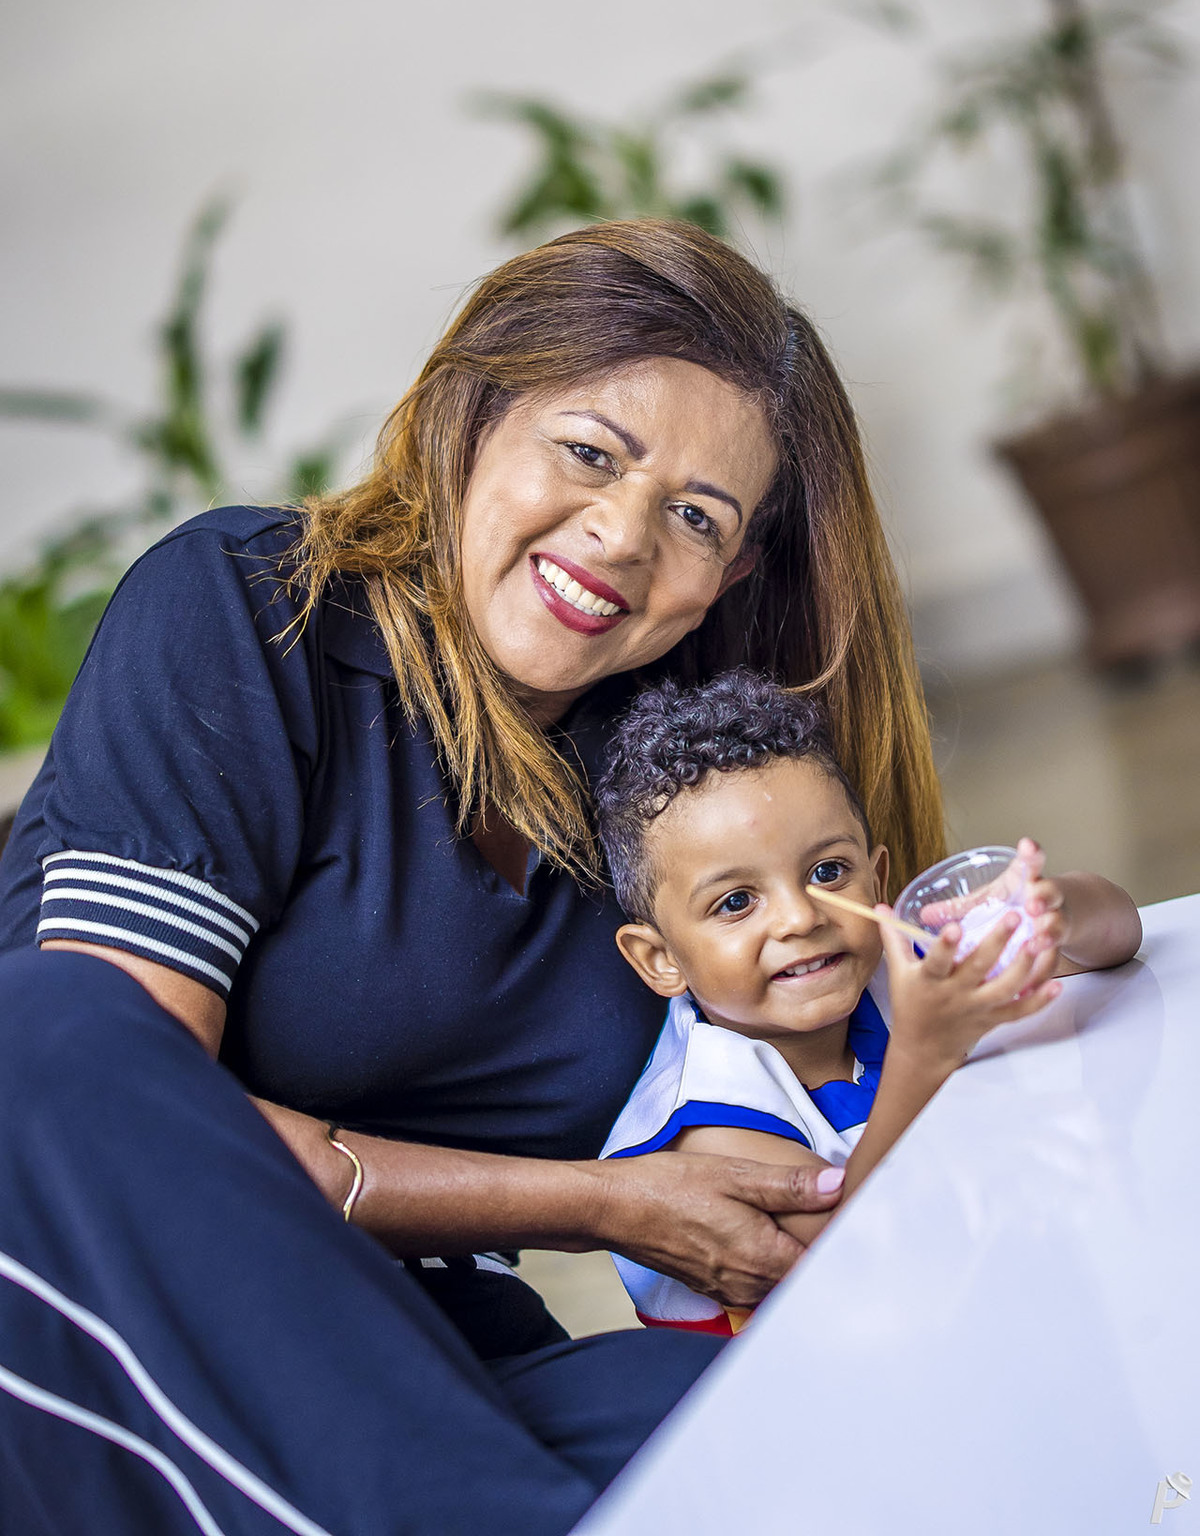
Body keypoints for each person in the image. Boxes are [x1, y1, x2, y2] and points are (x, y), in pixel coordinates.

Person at [0, 219, 945, 1535]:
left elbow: (851, 1064)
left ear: (731, 573)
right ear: (471, 413)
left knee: (763, 1423)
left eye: (694, 516)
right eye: (589, 453)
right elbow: (126, 1129)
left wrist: (1022, 946)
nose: (620, 536)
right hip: (106, 1333)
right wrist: (603, 1205)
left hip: (419, 1343)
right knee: (48, 1021)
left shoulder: (666, 796)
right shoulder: (246, 611)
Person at [595, 670, 1143, 1334]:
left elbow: (1119, 937)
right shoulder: (707, 1126)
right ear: (661, 959)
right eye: (736, 901)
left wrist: (1054, 910)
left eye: (828, 872)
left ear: (877, 881)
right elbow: (862, 1256)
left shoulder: (898, 963)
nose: (801, 917)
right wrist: (922, 1055)